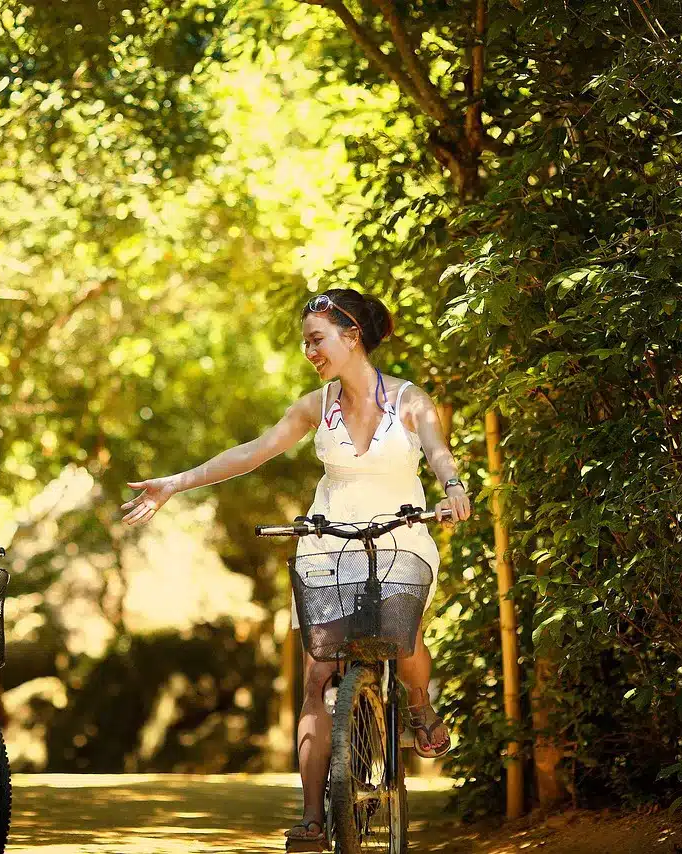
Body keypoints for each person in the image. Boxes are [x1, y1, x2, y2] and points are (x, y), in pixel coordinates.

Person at [121, 288, 472, 849]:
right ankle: (312, 817)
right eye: (306, 343)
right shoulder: (315, 406)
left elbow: (437, 451)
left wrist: (453, 487)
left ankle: (420, 704)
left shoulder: (410, 401)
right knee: (316, 673)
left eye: (317, 340)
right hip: (327, 539)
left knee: (401, 639)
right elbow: (253, 452)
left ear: (352, 336)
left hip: (399, 534)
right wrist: (175, 483)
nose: (310, 352)